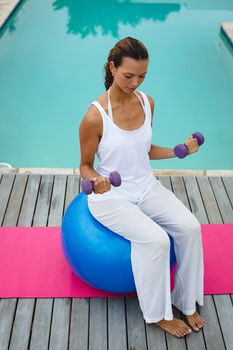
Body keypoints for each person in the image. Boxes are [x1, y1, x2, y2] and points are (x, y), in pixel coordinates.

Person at [79, 37, 205, 338]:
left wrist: (178, 151)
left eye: (142, 76)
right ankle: (158, 314)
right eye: (128, 76)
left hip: (145, 186)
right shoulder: (95, 115)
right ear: (113, 67)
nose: (135, 82)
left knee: (190, 228)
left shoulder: (147, 102)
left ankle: (186, 302)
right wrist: (97, 181)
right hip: (112, 197)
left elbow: (144, 150)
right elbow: (84, 164)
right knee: (156, 241)